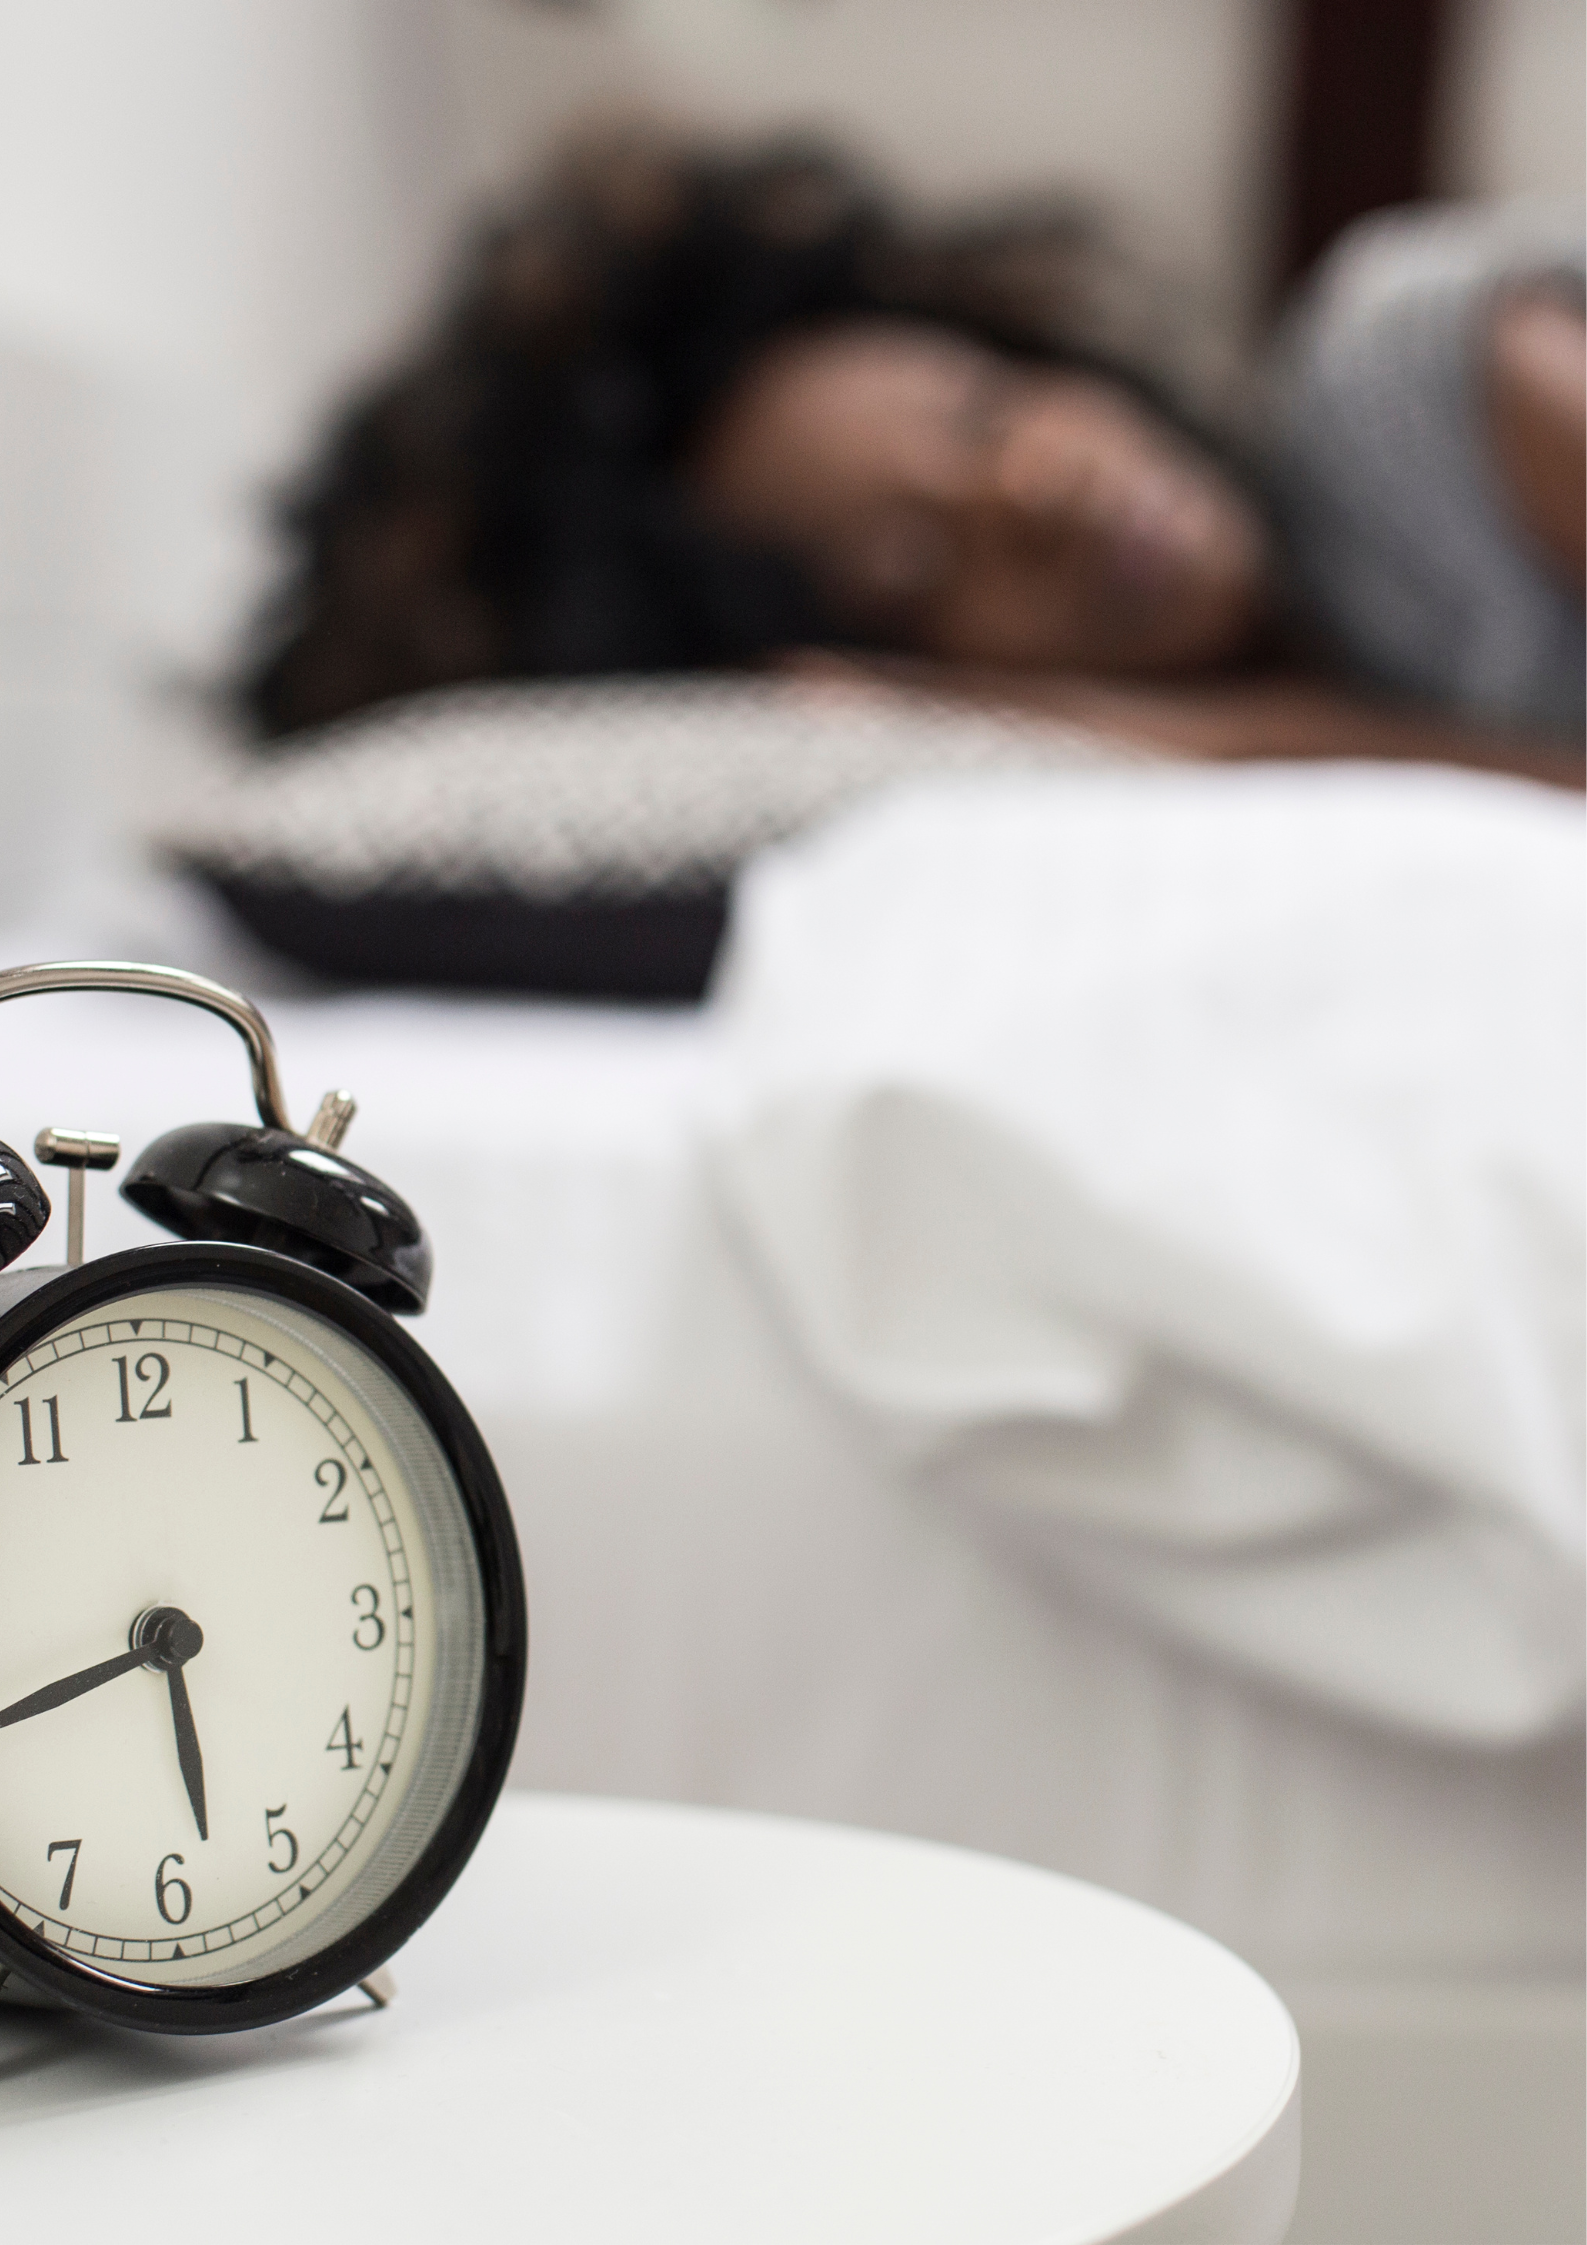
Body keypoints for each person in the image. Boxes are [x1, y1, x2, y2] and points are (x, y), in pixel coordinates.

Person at [243, 125, 1583, 785]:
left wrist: (1239, 735)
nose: (1037, 488)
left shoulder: (1411, 378)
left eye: (987, 407)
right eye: (917, 560)